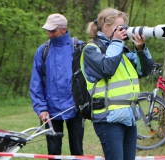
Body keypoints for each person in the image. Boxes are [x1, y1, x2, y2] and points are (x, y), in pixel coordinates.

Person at [81, 8, 154, 160]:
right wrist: (116, 41)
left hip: (128, 116)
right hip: (108, 118)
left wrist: (141, 48)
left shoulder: (122, 50)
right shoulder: (91, 49)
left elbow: (145, 70)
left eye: (124, 27)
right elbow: (107, 69)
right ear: (105, 26)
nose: (124, 31)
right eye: (119, 28)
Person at [29, 13, 84, 158]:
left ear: (64, 29)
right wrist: (41, 108)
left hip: (75, 107)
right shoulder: (42, 50)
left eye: (53, 30)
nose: (49, 33)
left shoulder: (79, 47)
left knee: (77, 151)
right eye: (48, 30)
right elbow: (36, 82)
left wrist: (84, 102)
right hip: (51, 109)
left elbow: (89, 78)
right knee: (53, 153)